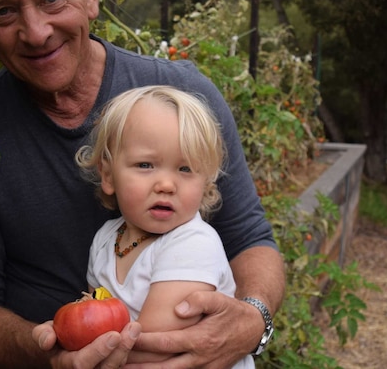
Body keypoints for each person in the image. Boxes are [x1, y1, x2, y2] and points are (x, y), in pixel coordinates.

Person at [0, 0, 285, 368]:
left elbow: (250, 237)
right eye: (3, 12)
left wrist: (252, 320)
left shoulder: (182, 96)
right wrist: (48, 352)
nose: (36, 31)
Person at [77, 85, 254, 369]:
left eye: (185, 169)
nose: (167, 185)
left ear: (205, 182)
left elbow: (156, 347)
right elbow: (95, 318)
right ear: (108, 175)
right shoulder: (105, 239)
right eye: (146, 165)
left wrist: (78, 347)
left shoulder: (193, 244)